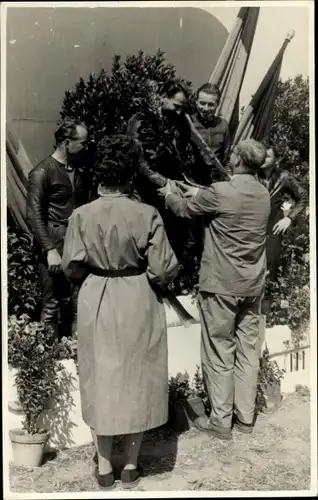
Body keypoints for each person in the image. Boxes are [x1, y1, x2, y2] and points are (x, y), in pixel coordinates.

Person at [61, 134, 178, 490]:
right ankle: (130, 464)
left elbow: (71, 265)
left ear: (99, 172)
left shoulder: (81, 214)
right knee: (137, 376)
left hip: (97, 294)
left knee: (102, 378)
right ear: (131, 172)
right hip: (136, 295)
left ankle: (102, 465)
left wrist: (96, 273)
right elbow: (163, 268)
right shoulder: (147, 213)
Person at [158, 139, 270, 440]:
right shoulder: (263, 193)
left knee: (220, 351)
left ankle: (221, 422)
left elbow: (184, 209)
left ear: (236, 160)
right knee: (248, 351)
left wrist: (170, 194)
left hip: (221, 284)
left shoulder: (220, 192)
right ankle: (245, 418)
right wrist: (199, 191)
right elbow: (219, 202)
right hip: (252, 284)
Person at [26, 119, 88, 338]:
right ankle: (50, 362)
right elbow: (34, 216)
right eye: (82, 142)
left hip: (77, 242)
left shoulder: (79, 170)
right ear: (66, 143)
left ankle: (79, 354)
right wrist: (49, 249)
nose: (86, 147)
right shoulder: (42, 172)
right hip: (54, 241)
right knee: (51, 304)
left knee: (79, 302)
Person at [258, 143, 307, 287]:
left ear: (276, 160)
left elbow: (304, 196)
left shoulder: (284, 176)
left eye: (267, 156)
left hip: (273, 229)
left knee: (270, 270)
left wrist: (289, 218)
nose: (262, 159)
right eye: (260, 156)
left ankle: (266, 306)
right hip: (252, 230)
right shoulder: (251, 175)